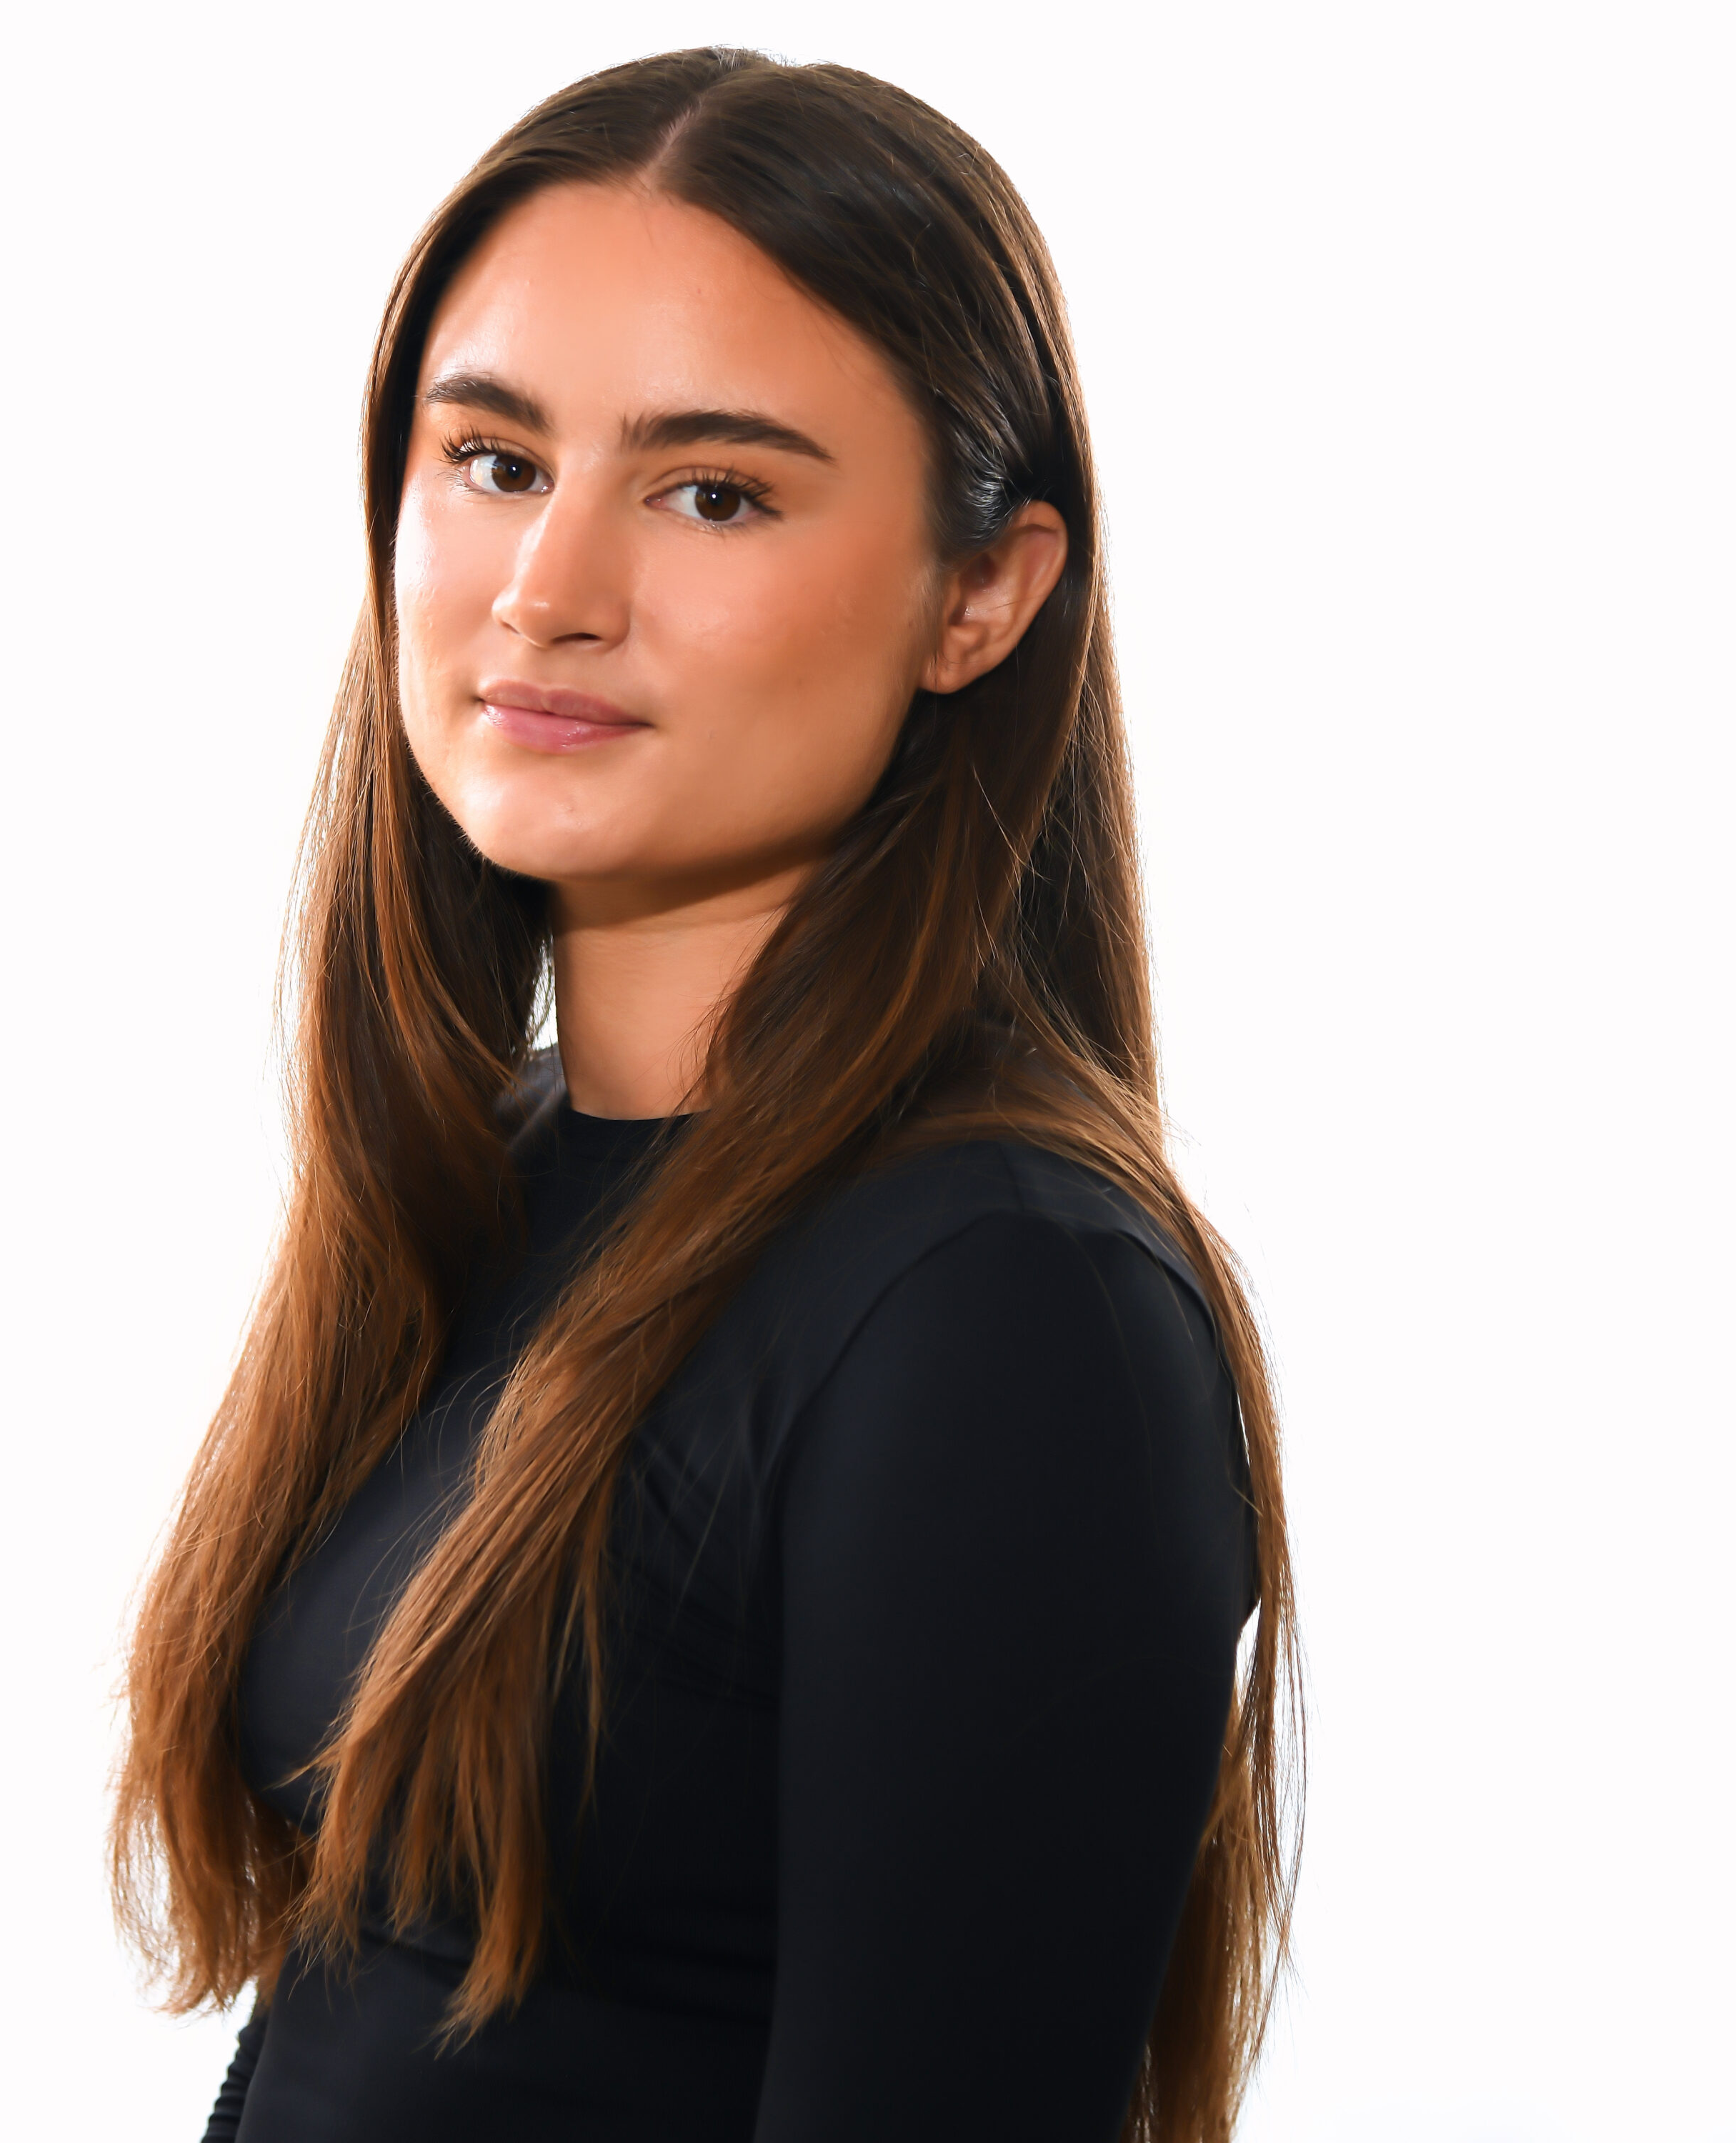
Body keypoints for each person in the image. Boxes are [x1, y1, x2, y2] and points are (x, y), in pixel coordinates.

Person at [112, 46, 1298, 2143]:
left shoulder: (1002, 1309)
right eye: (494, 460)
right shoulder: (493, 1180)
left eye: (714, 492)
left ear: (980, 595)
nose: (547, 591)